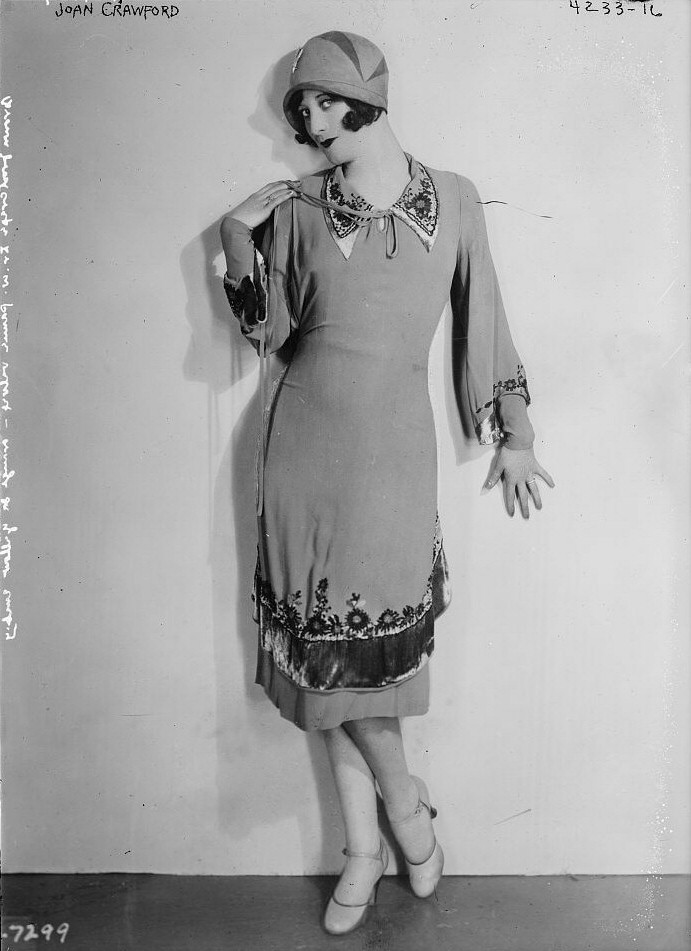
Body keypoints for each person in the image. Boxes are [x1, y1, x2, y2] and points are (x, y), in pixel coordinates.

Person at [220, 31, 554, 936]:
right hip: (300, 454)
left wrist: (515, 434)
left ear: (367, 94)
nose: (312, 120)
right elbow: (268, 334)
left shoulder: (455, 198)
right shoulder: (296, 207)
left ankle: (393, 822)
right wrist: (236, 240)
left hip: (391, 460)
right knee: (323, 672)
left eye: (324, 100)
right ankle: (374, 841)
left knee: (355, 670)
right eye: (301, 110)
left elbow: (485, 314)